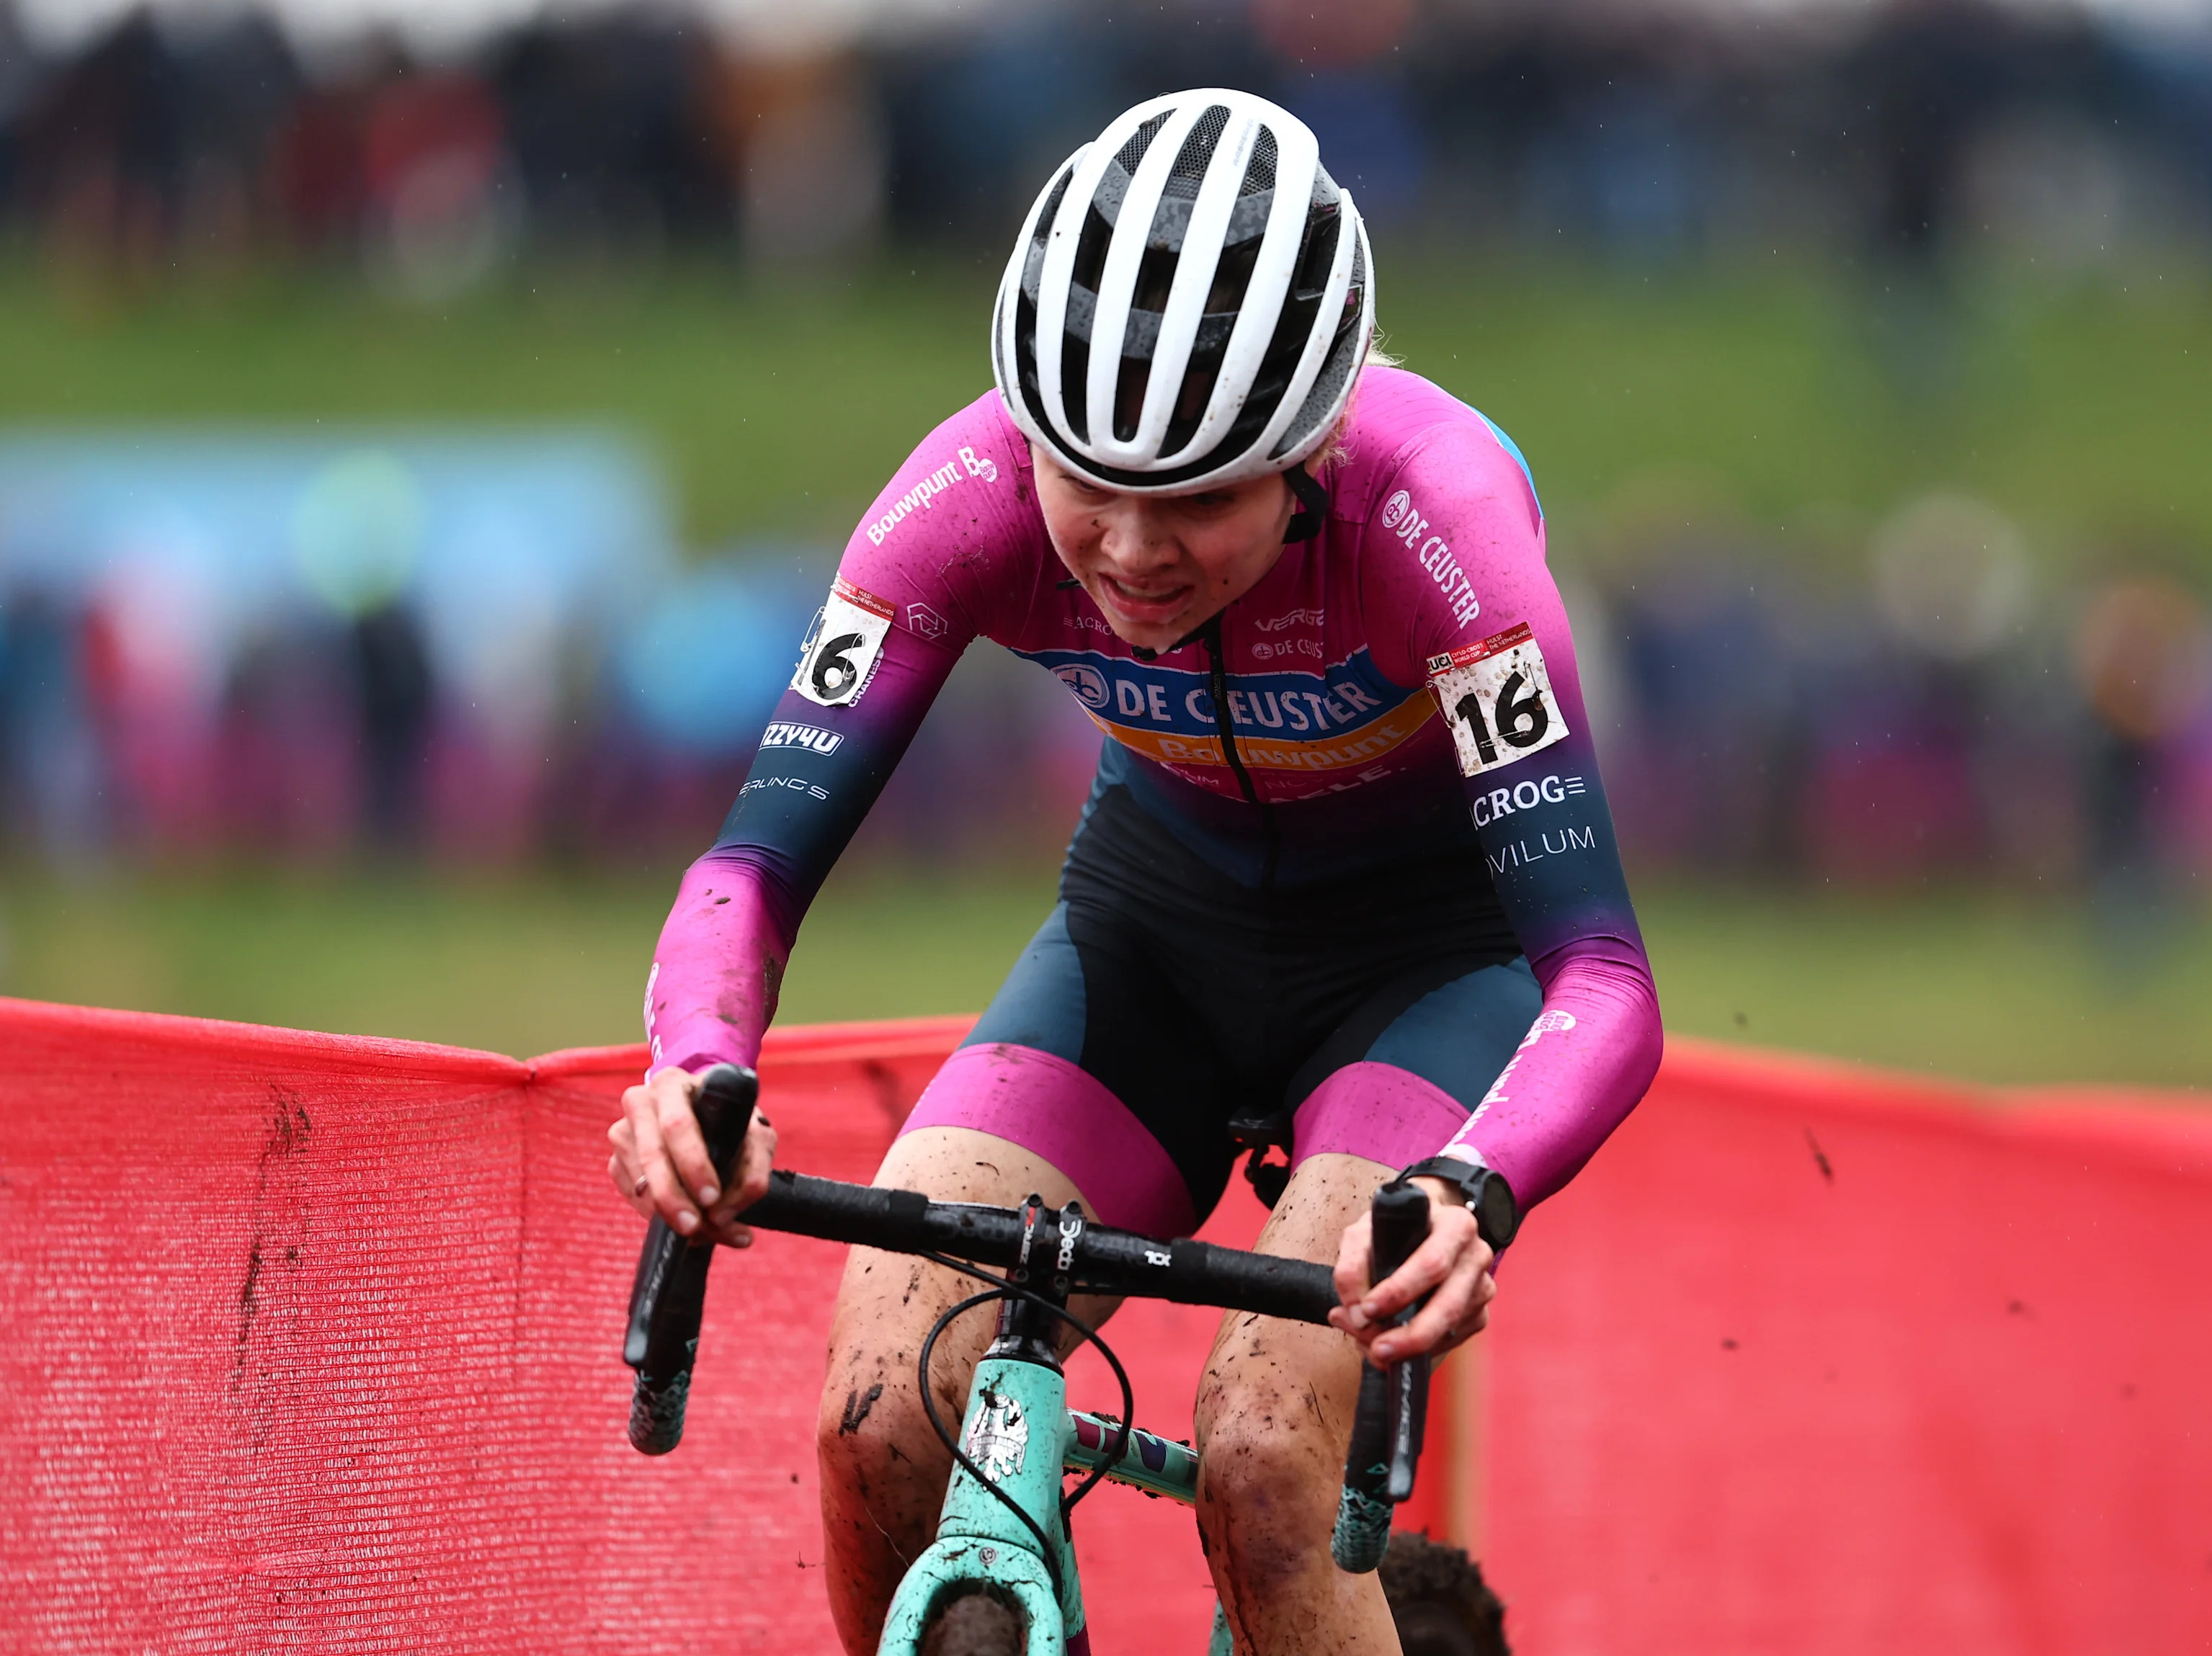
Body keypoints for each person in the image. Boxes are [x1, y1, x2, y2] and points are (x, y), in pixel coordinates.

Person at [606, 89, 1662, 1655]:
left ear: (1309, 455)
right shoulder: (960, 494)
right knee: (881, 1411)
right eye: (1084, 480)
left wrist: (1471, 1191)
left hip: (1428, 978)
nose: (1127, 548)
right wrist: (699, 1068)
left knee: (1264, 1452)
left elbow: (1604, 976)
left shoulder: (1437, 514)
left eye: (1197, 498)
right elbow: (753, 864)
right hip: (1149, 942)